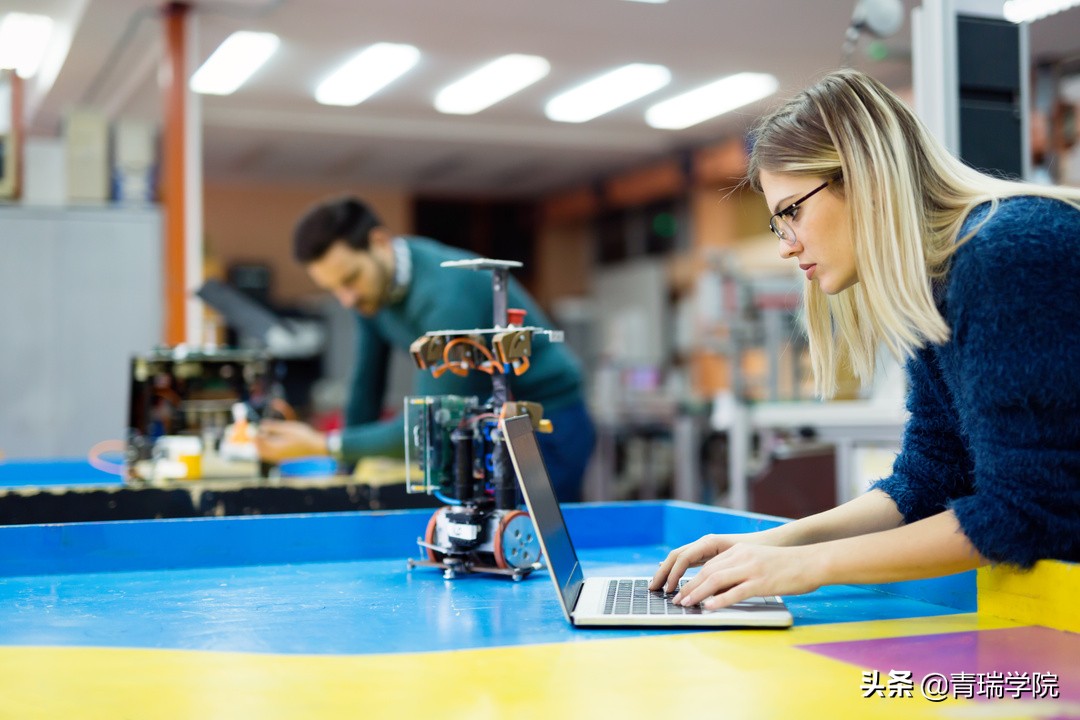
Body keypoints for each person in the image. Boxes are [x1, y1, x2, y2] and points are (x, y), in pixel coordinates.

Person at [652, 68, 1080, 610]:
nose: (787, 245)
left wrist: (809, 565)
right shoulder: (940, 278)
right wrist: (772, 543)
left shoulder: (1007, 256)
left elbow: (1025, 511)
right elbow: (930, 476)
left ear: (864, 178)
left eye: (792, 212)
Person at [255, 196, 596, 503]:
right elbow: (366, 387)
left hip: (547, 423)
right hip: (492, 423)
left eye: (350, 279)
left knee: (527, 549)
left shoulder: (444, 296)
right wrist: (345, 474)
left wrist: (324, 444)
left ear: (379, 242)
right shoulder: (371, 294)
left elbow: (431, 424)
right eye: (334, 290)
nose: (347, 299)